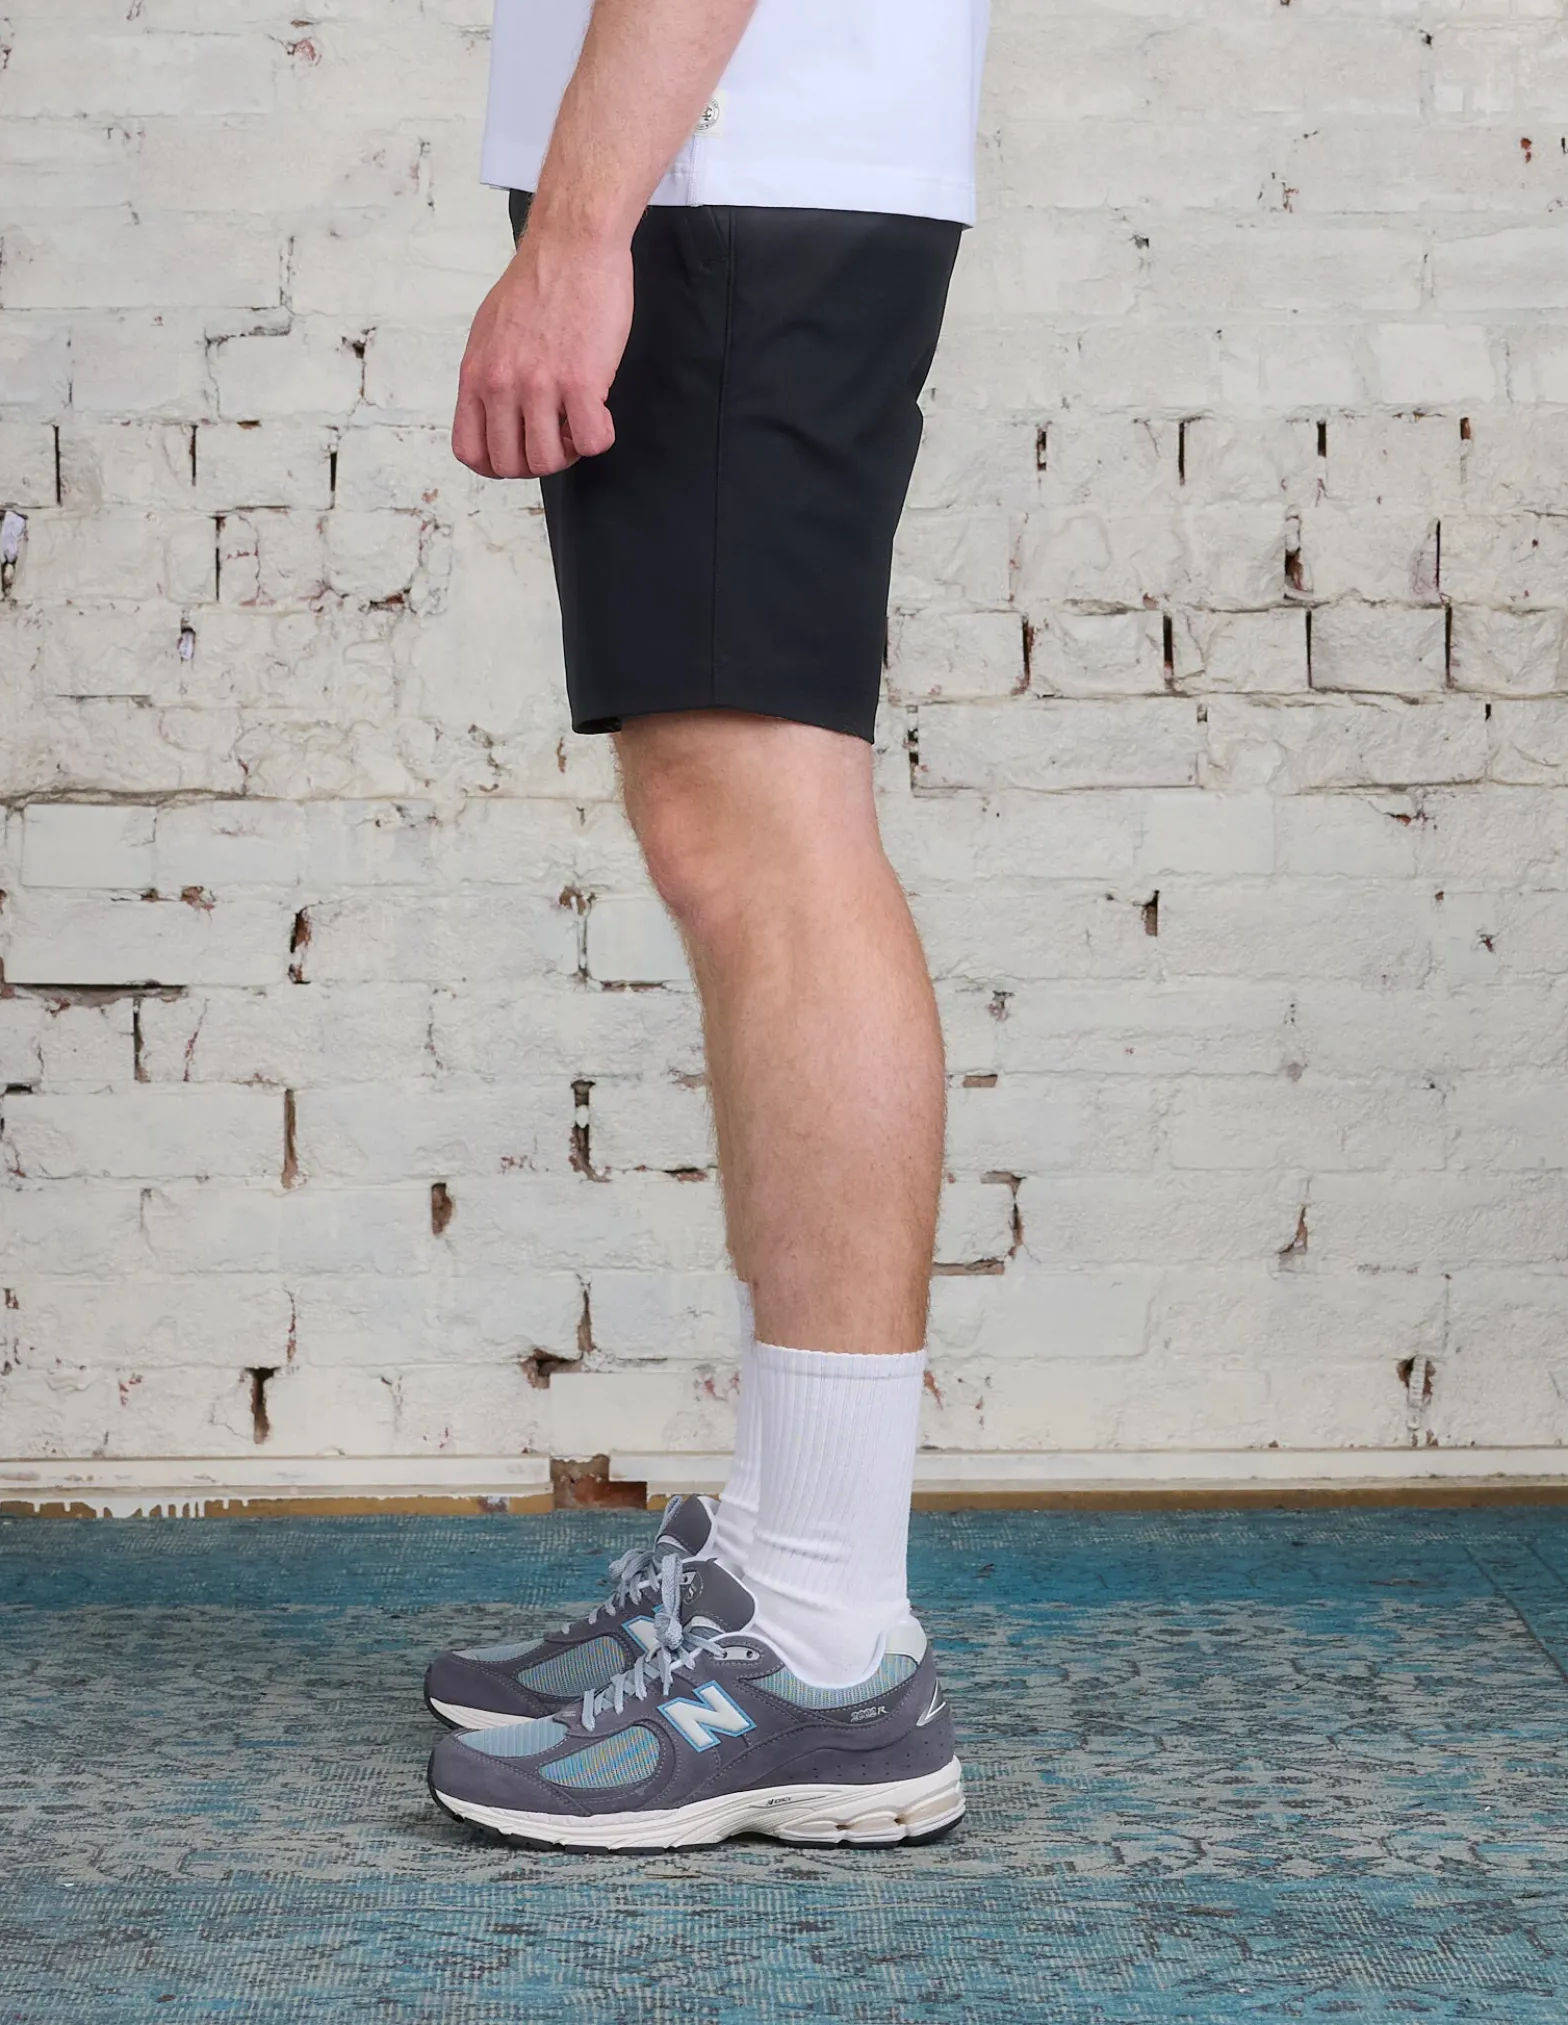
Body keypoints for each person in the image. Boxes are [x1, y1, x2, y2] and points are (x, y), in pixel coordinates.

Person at [424, 0, 990, 1851]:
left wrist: (582, 230)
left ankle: (826, 1643)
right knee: (729, 830)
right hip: (727, 165)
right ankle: (776, 1569)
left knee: (766, 835)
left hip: (733, 174)